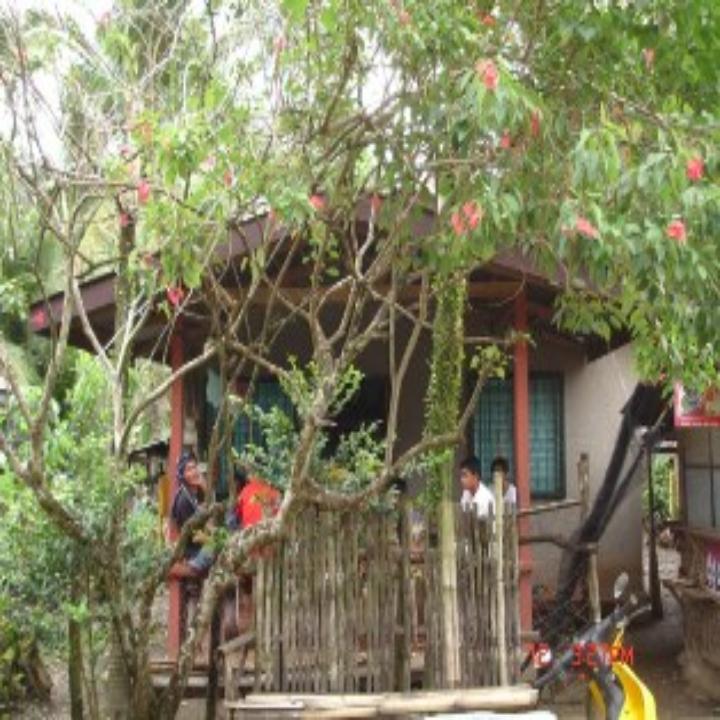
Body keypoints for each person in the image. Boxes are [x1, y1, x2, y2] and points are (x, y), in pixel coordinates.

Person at [170, 451, 214, 577]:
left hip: (197, 541)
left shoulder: (192, 493)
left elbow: (209, 510)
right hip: (191, 549)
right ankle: (191, 568)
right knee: (214, 548)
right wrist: (212, 539)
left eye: (194, 467)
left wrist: (204, 486)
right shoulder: (183, 500)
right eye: (188, 469)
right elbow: (194, 535)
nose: (194, 472)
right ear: (182, 475)